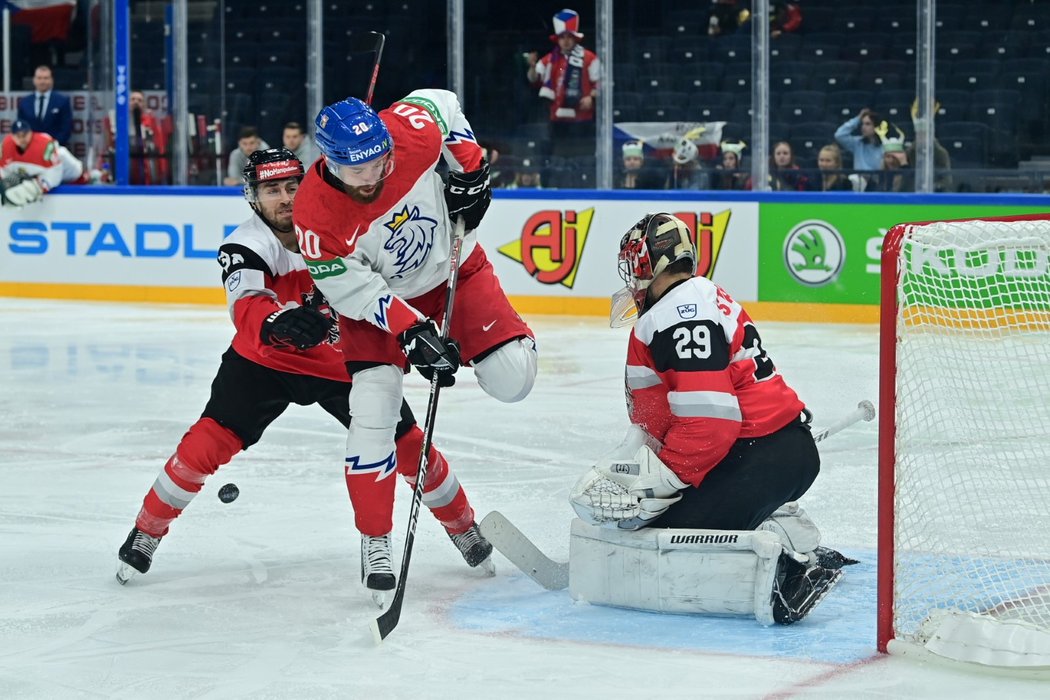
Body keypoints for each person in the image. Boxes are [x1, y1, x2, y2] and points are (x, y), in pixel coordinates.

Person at [116, 148, 493, 602]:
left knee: (409, 446)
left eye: (293, 187)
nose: (285, 198)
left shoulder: (347, 222)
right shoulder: (247, 242)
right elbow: (247, 301)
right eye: (271, 190)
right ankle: (146, 532)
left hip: (344, 361)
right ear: (253, 198)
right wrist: (275, 323)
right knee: (203, 445)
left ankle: (464, 527)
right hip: (265, 363)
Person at [292, 90, 538, 600]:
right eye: (357, 170)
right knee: (373, 411)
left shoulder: (405, 133)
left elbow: (443, 104)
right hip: (378, 306)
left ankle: (488, 346)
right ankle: (375, 539)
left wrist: (470, 172)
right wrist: (412, 330)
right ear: (328, 162)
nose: (374, 175)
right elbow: (351, 287)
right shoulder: (315, 214)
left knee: (514, 377)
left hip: (453, 270)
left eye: (380, 161)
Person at [570, 213, 849, 624]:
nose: (632, 279)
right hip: (770, 452)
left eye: (635, 266)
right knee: (666, 519)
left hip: (757, 456)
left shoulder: (678, 312)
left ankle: (788, 566)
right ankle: (781, 522)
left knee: (662, 537)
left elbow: (711, 421)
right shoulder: (695, 300)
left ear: (652, 264)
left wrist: (661, 482)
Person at [525, 9, 601, 158]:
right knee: (556, 156)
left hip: (582, 117)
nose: (566, 41)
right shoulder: (549, 60)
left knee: (583, 156)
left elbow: (601, 83)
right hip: (556, 119)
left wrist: (591, 97)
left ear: (575, 38)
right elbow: (534, 79)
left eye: (569, 37)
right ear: (557, 39)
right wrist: (532, 67)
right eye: (562, 37)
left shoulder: (590, 58)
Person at [102, 90, 172, 185]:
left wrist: (161, 172)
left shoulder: (151, 121)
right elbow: (107, 146)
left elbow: (159, 146)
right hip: (123, 165)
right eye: (133, 99)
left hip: (145, 167)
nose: (136, 102)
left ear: (144, 104)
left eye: (139, 100)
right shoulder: (116, 121)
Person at [1, 119, 62, 207]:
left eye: (24, 135)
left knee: (66, 158)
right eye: (18, 136)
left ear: (30, 132)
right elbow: (4, 171)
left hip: (63, 166)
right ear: (12, 136)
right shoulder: (6, 145)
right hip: (33, 174)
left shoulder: (45, 144)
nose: (22, 139)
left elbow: (56, 172)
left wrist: (40, 187)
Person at [17, 64, 72, 145]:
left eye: (46, 78)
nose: (42, 82)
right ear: (34, 80)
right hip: (30, 149)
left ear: (51, 80)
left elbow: (66, 129)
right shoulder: (25, 102)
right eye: (39, 78)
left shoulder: (62, 101)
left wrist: (52, 146)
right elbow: (21, 127)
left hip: (56, 149)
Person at [834, 108, 884, 175]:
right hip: (859, 182)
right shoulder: (857, 143)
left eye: (868, 124)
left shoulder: (885, 146)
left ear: (876, 127)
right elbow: (839, 135)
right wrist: (858, 118)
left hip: (877, 182)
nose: (863, 127)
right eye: (862, 124)